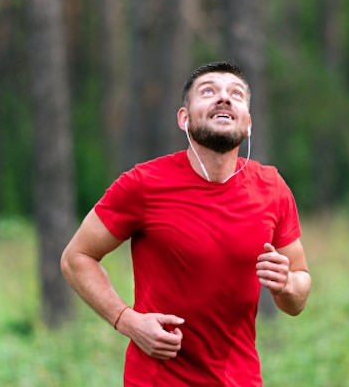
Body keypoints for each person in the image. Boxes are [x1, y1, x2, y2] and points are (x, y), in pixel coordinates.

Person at [61, 61, 311, 386]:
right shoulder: (142, 184)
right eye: (208, 91)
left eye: (235, 94)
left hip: (241, 380)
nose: (224, 98)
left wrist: (288, 284)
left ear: (248, 124)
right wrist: (127, 321)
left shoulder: (272, 187)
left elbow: (300, 289)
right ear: (184, 118)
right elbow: (75, 258)